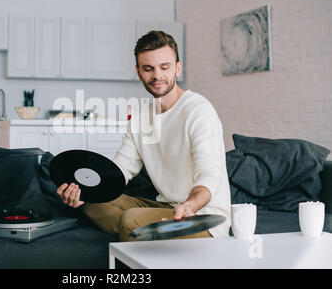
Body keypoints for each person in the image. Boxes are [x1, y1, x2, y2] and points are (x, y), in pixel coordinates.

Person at [57, 30, 231, 241]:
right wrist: (83, 191)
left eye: (164, 67)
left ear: (178, 67)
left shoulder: (198, 110)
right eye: (148, 69)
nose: (157, 76)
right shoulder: (141, 116)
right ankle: (149, 235)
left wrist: (189, 205)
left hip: (201, 215)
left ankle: (140, 233)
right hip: (165, 206)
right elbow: (121, 169)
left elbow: (209, 174)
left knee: (131, 221)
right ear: (139, 72)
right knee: (93, 204)